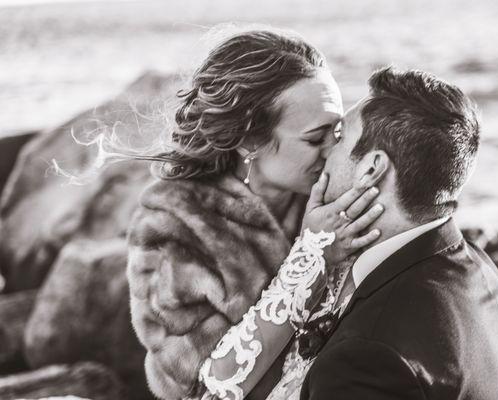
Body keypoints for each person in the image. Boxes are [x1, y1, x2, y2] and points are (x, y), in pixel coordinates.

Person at [126, 28, 384, 400]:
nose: (333, 153)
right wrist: (312, 259)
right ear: (249, 140)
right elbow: (199, 384)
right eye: (315, 139)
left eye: (338, 133)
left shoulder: (334, 197)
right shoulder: (173, 226)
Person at [299, 68, 498, 399]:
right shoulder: (485, 275)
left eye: (339, 138)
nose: (323, 152)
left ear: (372, 168)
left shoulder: (365, 356)